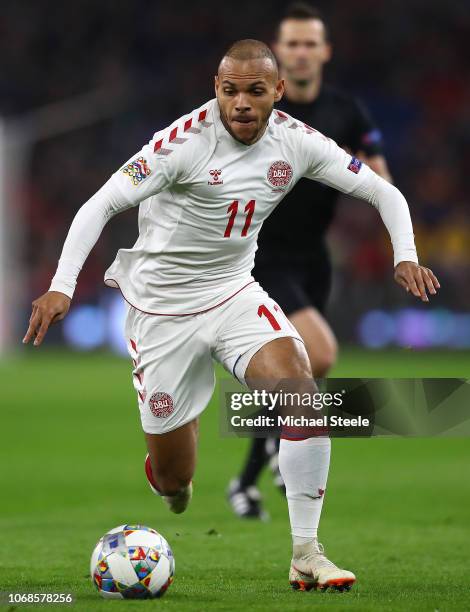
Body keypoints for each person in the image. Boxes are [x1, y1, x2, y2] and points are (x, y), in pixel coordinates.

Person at [23, 39, 439, 593]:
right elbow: (98, 205)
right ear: (217, 90)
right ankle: (170, 476)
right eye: (229, 90)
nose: (241, 102)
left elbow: (384, 194)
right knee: (176, 481)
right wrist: (60, 287)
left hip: (232, 294)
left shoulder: (298, 141)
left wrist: (405, 253)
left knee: (303, 395)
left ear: (278, 92)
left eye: (254, 91)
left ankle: (306, 553)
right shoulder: (181, 144)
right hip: (162, 313)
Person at [228, 3, 394, 520]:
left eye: (308, 44)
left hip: (313, 261)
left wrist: (353, 171)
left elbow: (381, 183)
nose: (300, 53)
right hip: (262, 257)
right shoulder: (258, 112)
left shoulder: (347, 112)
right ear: (278, 55)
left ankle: (246, 480)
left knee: (295, 376)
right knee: (317, 354)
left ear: (324, 51)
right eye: (291, 44)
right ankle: (277, 453)